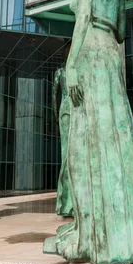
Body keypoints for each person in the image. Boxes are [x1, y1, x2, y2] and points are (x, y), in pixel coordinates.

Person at [43, 0, 133, 264]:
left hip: (89, 52)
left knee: (84, 143)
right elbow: (120, 31)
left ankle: (94, 237)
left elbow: (82, 21)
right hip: (109, 55)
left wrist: (72, 64)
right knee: (114, 139)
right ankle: (125, 237)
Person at [53, 41, 73, 216]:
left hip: (76, 111)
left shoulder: (76, 70)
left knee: (74, 156)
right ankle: (66, 202)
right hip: (66, 112)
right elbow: (54, 97)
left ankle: (73, 202)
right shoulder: (60, 72)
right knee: (67, 156)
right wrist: (55, 120)